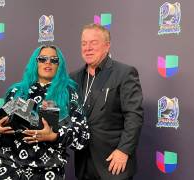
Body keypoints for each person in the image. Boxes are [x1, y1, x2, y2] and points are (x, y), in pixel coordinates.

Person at [0, 45, 89, 180]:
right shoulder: (17, 92)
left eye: (54, 60)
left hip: (46, 172)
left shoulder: (69, 94)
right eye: (42, 59)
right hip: (8, 170)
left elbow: (82, 138)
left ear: (60, 66)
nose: (48, 62)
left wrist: (54, 136)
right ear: (35, 62)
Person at [71, 23, 144, 180]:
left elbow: (134, 116)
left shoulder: (124, 73)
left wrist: (124, 150)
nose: (87, 48)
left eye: (93, 43)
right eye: (84, 43)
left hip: (113, 162)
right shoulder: (74, 78)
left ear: (107, 46)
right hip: (83, 163)